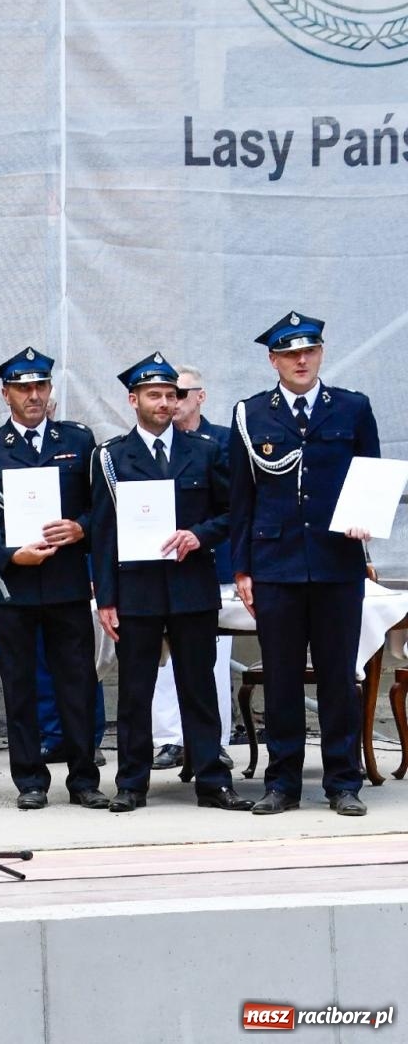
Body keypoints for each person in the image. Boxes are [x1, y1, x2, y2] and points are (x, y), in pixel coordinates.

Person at [230, 312, 379, 817]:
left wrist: (367, 524)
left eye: (309, 351)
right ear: (273, 360)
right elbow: (241, 496)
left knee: (339, 675)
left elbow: (372, 476)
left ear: (321, 353)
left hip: (337, 563)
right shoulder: (250, 414)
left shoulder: (352, 408)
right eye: (290, 353)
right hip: (276, 565)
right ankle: (283, 783)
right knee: (282, 677)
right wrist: (242, 567)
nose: (301, 360)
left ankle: (343, 781)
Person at [91, 353, 251, 812]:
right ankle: (131, 784)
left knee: (199, 688)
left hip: (190, 586)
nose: (164, 403)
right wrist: (105, 596)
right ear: (133, 399)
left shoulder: (204, 450)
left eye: (170, 395)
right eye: (154, 395)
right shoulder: (112, 457)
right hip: (136, 589)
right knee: (135, 691)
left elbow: (230, 514)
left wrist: (198, 535)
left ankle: (213, 781)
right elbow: (103, 532)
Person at [0, 348, 108, 811]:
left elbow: (101, 507)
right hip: (14, 588)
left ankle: (84, 778)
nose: (33, 395)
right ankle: (30, 780)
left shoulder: (79, 440)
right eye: (23, 388)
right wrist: (9, 554)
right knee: (20, 686)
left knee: (78, 683)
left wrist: (80, 528)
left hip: (66, 583)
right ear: (6, 394)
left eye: (40, 386)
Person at [149, 363, 235, 774]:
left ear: (200, 396)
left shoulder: (220, 442)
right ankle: (168, 739)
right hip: (155, 572)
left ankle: (212, 743)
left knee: (210, 663)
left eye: (181, 394)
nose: (173, 402)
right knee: (162, 666)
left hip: (210, 567)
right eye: (166, 394)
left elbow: (233, 506)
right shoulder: (143, 446)